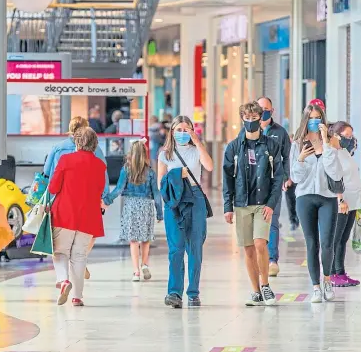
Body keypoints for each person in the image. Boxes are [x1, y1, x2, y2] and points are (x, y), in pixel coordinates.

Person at [223, 101, 283, 306]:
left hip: (262, 203)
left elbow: (278, 177)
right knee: (248, 249)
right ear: (242, 119)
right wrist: (227, 207)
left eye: (254, 118)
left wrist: (271, 203)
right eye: (246, 118)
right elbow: (227, 178)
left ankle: (265, 286)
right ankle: (255, 290)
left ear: (260, 119)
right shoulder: (233, 147)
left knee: (260, 243)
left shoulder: (271, 145)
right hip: (241, 203)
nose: (250, 122)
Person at [44, 116, 110, 282]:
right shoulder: (96, 150)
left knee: (60, 245)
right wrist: (105, 198)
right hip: (87, 201)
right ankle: (80, 261)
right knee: (86, 238)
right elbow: (103, 174)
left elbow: (46, 172)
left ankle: (63, 278)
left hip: (59, 199)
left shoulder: (57, 148)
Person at [158, 115, 213, 308]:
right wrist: (176, 175)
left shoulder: (195, 150)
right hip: (174, 201)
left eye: (186, 129)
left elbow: (209, 166)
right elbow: (160, 183)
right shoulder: (165, 154)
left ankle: (193, 292)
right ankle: (174, 292)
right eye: (179, 130)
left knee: (195, 248)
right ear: (172, 132)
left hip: (195, 198)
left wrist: (197, 141)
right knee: (176, 249)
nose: (182, 133)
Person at [290, 104, 343, 303]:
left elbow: (335, 173)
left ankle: (327, 280)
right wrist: (301, 159)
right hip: (305, 198)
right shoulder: (297, 143)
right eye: (311, 118)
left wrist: (327, 145)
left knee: (328, 242)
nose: (314, 121)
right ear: (305, 120)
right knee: (312, 243)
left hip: (327, 197)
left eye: (317, 117)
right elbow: (295, 177)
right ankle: (315, 286)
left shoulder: (332, 142)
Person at [104, 140, 163, 281]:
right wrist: (160, 213)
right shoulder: (150, 172)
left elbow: (118, 189)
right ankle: (145, 264)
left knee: (133, 240)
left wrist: (106, 200)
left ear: (131, 153)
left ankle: (136, 271)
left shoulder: (126, 169)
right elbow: (156, 194)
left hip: (131, 206)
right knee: (146, 239)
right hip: (146, 206)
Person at [257, 97, 291, 277]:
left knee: (272, 220)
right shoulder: (248, 131)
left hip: (274, 183)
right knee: (256, 221)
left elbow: (287, 156)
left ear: (272, 110)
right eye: (260, 108)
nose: (263, 111)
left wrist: (286, 178)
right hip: (254, 185)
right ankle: (259, 257)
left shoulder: (280, 132)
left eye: (266, 108)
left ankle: (272, 260)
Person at [327, 122, 361, 287]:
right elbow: (334, 178)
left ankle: (341, 272)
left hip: (354, 201)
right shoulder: (332, 152)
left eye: (351, 136)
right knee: (336, 239)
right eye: (347, 136)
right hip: (342, 202)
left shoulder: (344, 152)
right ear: (336, 135)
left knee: (343, 239)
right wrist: (339, 199)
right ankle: (332, 273)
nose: (350, 139)